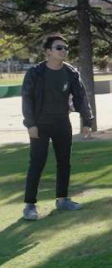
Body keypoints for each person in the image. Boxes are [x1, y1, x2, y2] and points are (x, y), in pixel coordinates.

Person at [21, 35, 93, 221]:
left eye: (65, 48)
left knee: (64, 162)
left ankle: (62, 200)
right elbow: (27, 99)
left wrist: (87, 121)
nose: (64, 51)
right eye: (59, 48)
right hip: (40, 125)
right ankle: (30, 205)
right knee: (37, 163)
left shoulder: (71, 73)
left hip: (62, 122)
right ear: (48, 52)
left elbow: (80, 97)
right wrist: (30, 124)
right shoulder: (35, 73)